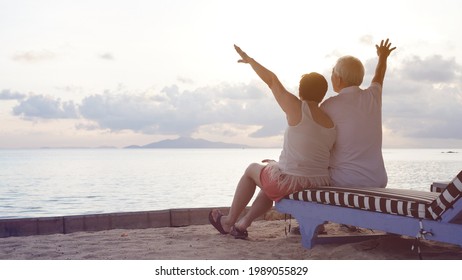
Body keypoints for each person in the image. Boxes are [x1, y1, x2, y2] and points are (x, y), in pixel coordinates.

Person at [209, 45, 336, 239]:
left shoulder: (298, 108)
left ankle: (228, 221)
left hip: (293, 183)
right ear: (322, 94)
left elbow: (272, 80)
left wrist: (250, 60)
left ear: (301, 93)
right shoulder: (330, 121)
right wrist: (278, 166)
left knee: (252, 169)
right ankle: (242, 224)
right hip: (319, 182)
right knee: (270, 177)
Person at [321, 39, 396, 188]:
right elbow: (379, 74)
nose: (331, 77)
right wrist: (382, 56)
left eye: (332, 73)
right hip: (377, 180)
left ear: (339, 78)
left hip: (345, 181)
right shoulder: (373, 96)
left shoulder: (328, 105)